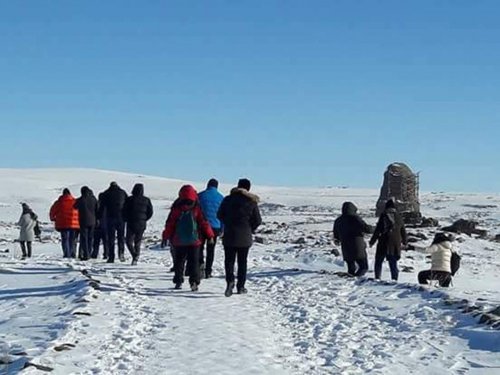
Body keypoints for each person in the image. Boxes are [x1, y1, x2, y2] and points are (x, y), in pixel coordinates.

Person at [162, 185, 214, 291]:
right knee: (194, 261)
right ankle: (194, 281)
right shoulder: (196, 207)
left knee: (179, 261)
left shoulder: (176, 207)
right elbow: (204, 223)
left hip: (179, 240)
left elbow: (170, 224)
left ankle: (178, 281)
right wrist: (210, 235)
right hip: (194, 240)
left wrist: (165, 236)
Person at [218, 178, 262, 297]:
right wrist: (250, 228)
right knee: (242, 262)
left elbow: (219, 214)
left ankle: (230, 281)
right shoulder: (251, 201)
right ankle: (241, 286)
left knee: (229, 261)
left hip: (229, 234)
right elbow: (258, 220)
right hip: (244, 236)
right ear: (248, 188)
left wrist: (228, 223)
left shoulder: (228, 199)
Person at [369, 199, 407, 281]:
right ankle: (394, 279)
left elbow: (378, 230)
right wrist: (405, 241)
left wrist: (372, 241)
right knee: (393, 262)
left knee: (379, 261)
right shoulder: (398, 217)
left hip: (384, 242)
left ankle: (377, 277)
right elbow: (403, 230)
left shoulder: (384, 216)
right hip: (395, 243)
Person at [333, 202, 372, 277]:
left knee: (351, 269)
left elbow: (336, 236)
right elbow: (367, 229)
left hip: (346, 247)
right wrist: (376, 228)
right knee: (364, 267)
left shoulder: (338, 220)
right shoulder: (355, 218)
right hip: (358, 247)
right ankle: (355, 279)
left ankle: (350, 281)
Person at [198, 178, 224, 278]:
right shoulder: (221, 197)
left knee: (199, 247)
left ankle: (200, 264)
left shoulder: (200, 195)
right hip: (215, 227)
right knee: (211, 249)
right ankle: (208, 271)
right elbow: (223, 215)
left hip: (201, 226)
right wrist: (222, 228)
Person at [123, 183, 154, 265]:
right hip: (141, 223)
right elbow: (150, 212)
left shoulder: (129, 199)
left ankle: (134, 255)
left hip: (131, 222)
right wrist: (144, 219)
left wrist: (125, 219)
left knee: (128, 241)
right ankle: (136, 257)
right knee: (137, 241)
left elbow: (124, 210)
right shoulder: (146, 200)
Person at [98, 182, 127, 263]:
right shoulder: (123, 192)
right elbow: (127, 204)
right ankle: (121, 254)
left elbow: (102, 206)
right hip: (121, 218)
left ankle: (111, 256)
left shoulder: (106, 193)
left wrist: (99, 217)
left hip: (110, 217)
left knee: (111, 238)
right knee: (121, 237)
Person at [50, 188, 80, 258]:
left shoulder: (58, 202)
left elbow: (52, 212)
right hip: (74, 224)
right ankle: (73, 253)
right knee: (72, 239)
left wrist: (53, 218)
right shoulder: (75, 201)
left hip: (62, 224)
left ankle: (66, 254)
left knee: (65, 239)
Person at [74, 186, 98, 261]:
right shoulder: (93, 199)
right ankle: (89, 253)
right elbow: (97, 209)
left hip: (83, 221)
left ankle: (86, 254)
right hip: (93, 221)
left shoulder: (80, 200)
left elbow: (75, 206)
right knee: (90, 238)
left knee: (84, 238)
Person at [92, 191, 108, 259]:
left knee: (96, 241)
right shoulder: (107, 205)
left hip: (97, 225)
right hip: (106, 225)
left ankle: (95, 254)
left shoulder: (96, 204)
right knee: (106, 241)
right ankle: (106, 254)